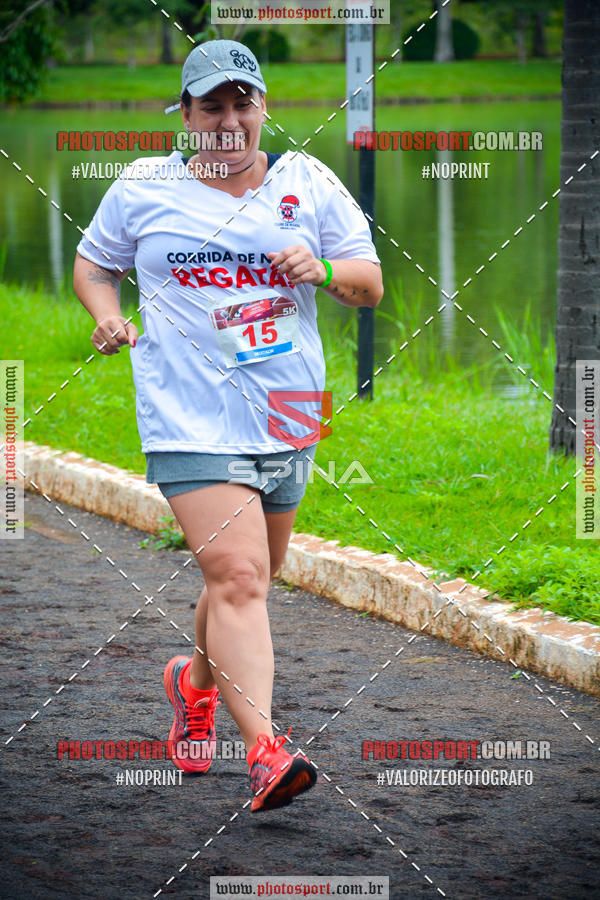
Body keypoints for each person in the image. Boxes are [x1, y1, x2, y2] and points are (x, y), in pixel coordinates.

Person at [73, 39, 383, 813]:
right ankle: (267, 752)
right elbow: (94, 264)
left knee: (249, 579)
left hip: (286, 409)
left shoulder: (307, 182)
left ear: (263, 108)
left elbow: (370, 285)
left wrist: (323, 272)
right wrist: (107, 317)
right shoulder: (145, 186)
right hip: (187, 414)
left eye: (242, 103)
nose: (229, 119)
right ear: (185, 115)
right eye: (211, 104)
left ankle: (194, 681)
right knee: (240, 577)